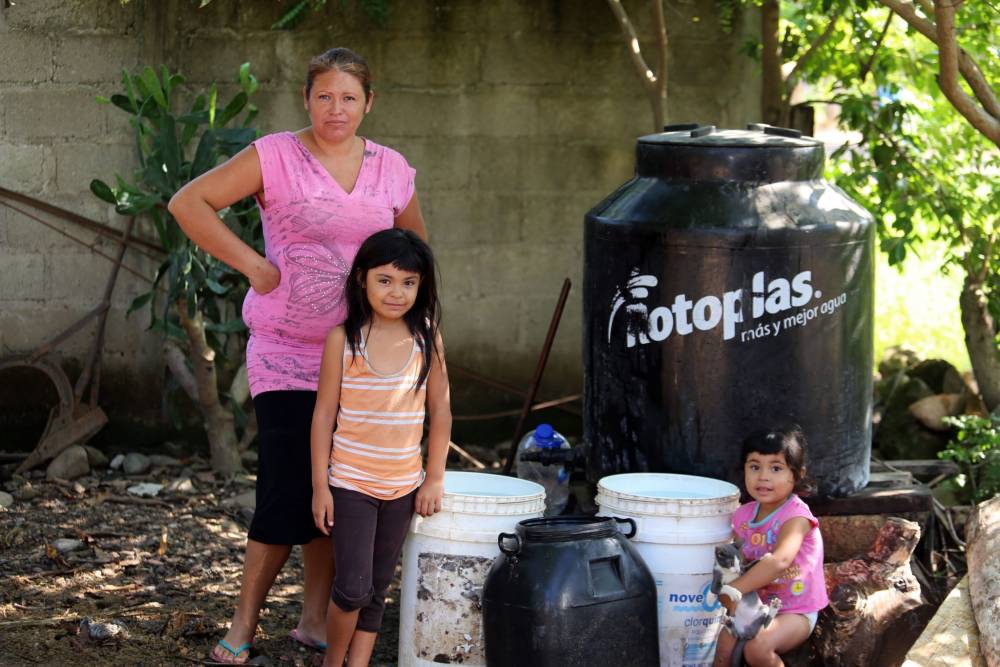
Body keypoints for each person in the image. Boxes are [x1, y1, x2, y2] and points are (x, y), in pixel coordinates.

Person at [167, 47, 427, 665]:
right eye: (324, 96)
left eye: (349, 97)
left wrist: (415, 335)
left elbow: (412, 250)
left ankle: (315, 620)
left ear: (369, 103)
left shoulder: (391, 169)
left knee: (342, 488)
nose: (336, 109)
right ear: (306, 99)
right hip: (286, 354)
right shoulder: (275, 156)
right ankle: (243, 624)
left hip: (362, 360)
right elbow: (188, 203)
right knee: (286, 487)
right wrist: (255, 265)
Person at [310, 228, 451, 667]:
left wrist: (434, 478)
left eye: (409, 283)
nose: (397, 292)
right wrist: (321, 486)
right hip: (351, 483)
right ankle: (333, 662)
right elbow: (322, 416)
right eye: (385, 280)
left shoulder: (427, 339)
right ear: (361, 280)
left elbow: (441, 412)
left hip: (403, 487)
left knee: (378, 587)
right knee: (351, 587)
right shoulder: (344, 340)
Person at [713, 426, 829, 667]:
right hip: (753, 606)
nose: (763, 476)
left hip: (795, 610)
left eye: (776, 468)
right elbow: (735, 559)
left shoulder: (796, 517)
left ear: (797, 474)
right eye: (755, 467)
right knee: (723, 649)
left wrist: (735, 589)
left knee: (758, 647)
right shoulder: (742, 516)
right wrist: (727, 583)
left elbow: (779, 561)